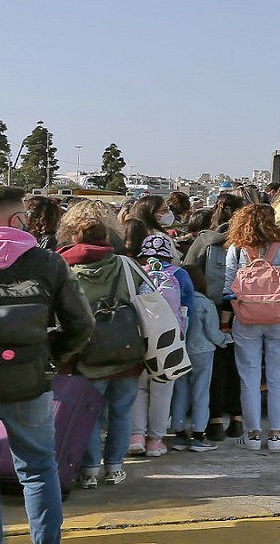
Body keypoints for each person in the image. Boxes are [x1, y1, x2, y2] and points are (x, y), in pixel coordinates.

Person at [0, 186, 93, 541]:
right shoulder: (47, 262)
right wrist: (51, 356)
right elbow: (81, 325)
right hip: (29, 378)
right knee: (38, 470)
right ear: (16, 219)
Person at [57, 206, 143, 490]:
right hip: (126, 352)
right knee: (121, 411)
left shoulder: (63, 268)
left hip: (85, 355)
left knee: (88, 413)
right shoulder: (127, 265)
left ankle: (90, 469)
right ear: (107, 235)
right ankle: (115, 468)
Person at [223, 205, 280, 452]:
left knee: (249, 378)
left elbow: (228, 289)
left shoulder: (236, 250)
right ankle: (276, 436)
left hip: (246, 320)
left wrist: (226, 322)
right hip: (279, 319)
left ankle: (253, 435)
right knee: (277, 378)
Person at [178, 192, 249, 441]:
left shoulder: (204, 240)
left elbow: (187, 272)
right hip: (244, 310)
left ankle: (215, 420)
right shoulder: (249, 241)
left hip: (210, 309)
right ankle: (238, 419)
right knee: (240, 365)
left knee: (214, 368)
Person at [125, 232, 194, 458]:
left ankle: (136, 436)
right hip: (169, 341)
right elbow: (188, 308)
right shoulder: (180, 275)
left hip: (139, 339)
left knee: (139, 389)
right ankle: (155, 441)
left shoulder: (136, 274)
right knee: (162, 392)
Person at [168, 269, 230, 453]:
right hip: (202, 352)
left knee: (180, 392)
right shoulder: (205, 303)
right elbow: (213, 333)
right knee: (201, 393)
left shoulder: (175, 299)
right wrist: (226, 340)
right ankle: (198, 435)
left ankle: (179, 435)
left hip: (180, 351)